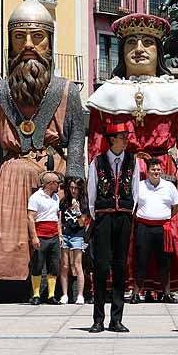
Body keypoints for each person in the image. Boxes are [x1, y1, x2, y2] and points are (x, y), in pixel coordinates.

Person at [0, 0, 86, 300]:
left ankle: (59, 290)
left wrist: (75, 175)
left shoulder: (66, 90)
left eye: (37, 37)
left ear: (49, 43)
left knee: (58, 238)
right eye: (20, 37)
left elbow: (77, 137)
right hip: (12, 175)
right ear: (11, 44)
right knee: (4, 236)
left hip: (53, 171)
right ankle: (8, 287)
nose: (28, 44)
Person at [86, 122, 139, 333]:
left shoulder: (133, 161)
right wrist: (99, 214)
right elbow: (91, 195)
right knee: (100, 268)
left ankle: (116, 319)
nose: (126, 139)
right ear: (112, 140)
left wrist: (126, 211)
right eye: (122, 136)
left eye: (127, 136)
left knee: (120, 267)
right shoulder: (96, 163)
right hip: (103, 217)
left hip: (124, 217)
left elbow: (135, 192)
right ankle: (98, 319)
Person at [133, 159, 178, 304]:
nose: (156, 172)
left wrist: (164, 217)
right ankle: (136, 294)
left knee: (164, 263)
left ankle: (166, 294)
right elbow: (133, 206)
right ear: (147, 172)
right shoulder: (140, 186)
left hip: (163, 228)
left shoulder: (169, 187)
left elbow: (176, 207)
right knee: (141, 262)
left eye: (158, 169)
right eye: (153, 170)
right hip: (144, 227)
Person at [27, 171, 63, 305]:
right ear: (50, 184)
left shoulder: (56, 198)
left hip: (53, 235)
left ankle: (51, 295)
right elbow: (30, 218)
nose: (59, 185)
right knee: (37, 265)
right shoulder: (36, 197)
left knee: (53, 266)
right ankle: (36, 295)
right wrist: (34, 237)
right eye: (57, 183)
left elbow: (57, 217)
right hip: (40, 235)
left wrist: (60, 234)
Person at [59, 176, 88, 305]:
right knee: (64, 265)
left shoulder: (84, 203)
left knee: (77, 264)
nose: (73, 190)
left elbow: (82, 223)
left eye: (76, 188)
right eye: (71, 187)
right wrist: (60, 234)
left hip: (78, 235)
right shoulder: (64, 202)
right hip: (65, 234)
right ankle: (64, 294)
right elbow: (60, 220)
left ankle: (80, 295)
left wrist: (77, 211)